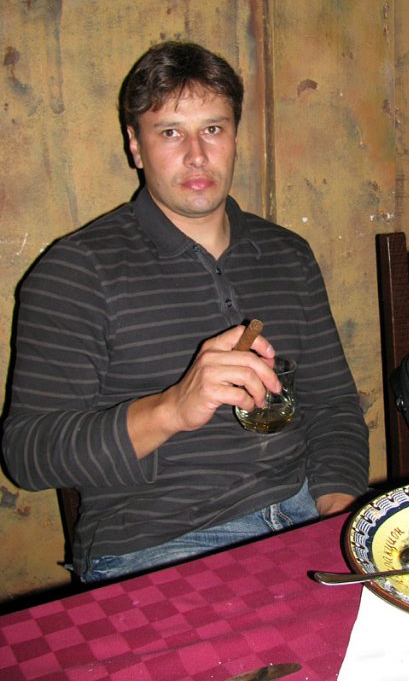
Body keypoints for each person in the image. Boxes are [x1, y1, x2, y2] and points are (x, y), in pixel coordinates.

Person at [2, 41, 369, 583]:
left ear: (235, 137)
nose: (197, 155)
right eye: (171, 132)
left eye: (213, 129)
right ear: (135, 145)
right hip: (159, 543)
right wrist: (172, 408)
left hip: (303, 510)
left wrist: (337, 513)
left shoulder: (288, 254)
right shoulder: (76, 270)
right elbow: (27, 454)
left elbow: (333, 404)